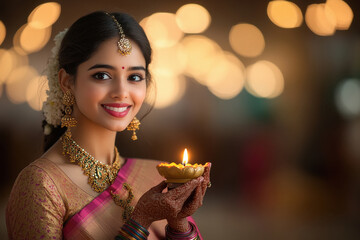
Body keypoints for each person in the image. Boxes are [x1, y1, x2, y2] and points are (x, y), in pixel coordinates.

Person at [6, 11, 211, 240]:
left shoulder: (156, 177)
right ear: (67, 82)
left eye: (134, 77)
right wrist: (140, 221)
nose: (121, 92)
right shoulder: (41, 185)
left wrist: (178, 222)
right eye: (102, 75)